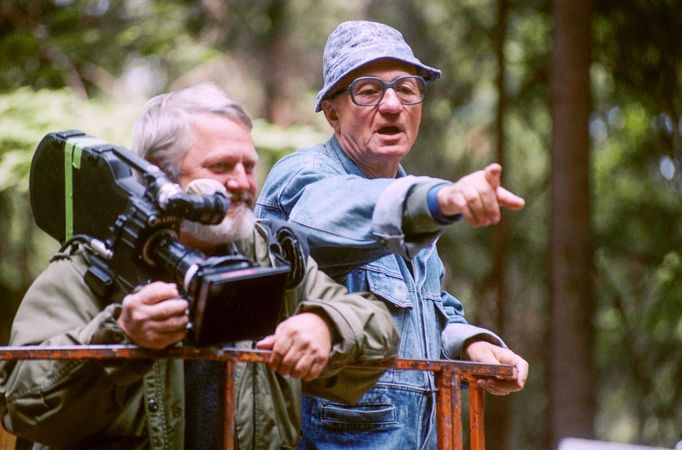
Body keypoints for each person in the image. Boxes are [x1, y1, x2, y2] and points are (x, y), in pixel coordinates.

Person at [0, 83, 399, 449]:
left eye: (249, 165)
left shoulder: (266, 254)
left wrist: (326, 326)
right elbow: (22, 405)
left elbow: (377, 327)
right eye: (222, 167)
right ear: (158, 173)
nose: (243, 183)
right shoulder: (95, 264)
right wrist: (120, 337)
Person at [255, 20, 529, 449]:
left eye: (406, 88)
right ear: (332, 111)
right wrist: (441, 198)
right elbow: (328, 215)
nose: (391, 105)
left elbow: (429, 312)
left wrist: (469, 344)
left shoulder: (411, 204)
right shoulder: (302, 177)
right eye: (367, 90)